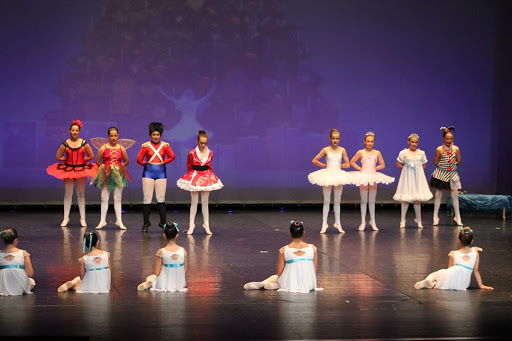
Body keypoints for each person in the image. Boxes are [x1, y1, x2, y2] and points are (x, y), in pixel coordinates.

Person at [243, 221, 323, 293]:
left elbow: (279, 272)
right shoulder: (313, 248)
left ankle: (265, 283)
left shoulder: (284, 250)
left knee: (276, 277)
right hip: (308, 283)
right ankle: (274, 285)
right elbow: (314, 270)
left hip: (290, 282)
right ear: (303, 233)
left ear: (290, 233)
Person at [47, 120, 97, 227]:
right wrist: (67, 158)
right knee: (67, 194)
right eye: (73, 130)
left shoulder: (83, 143)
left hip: (80, 170)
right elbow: (58, 157)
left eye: (77, 130)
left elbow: (91, 156)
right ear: (69, 131)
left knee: (81, 194)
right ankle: (66, 218)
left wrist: (82, 160)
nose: (75, 132)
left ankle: (83, 218)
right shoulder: (65, 144)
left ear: (79, 131)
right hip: (68, 170)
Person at [414, 227, 493, 291]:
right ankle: (434, 283)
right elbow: (476, 270)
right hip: (463, 284)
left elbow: (449, 269)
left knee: (437, 274)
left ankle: (431, 281)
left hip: (450, 277)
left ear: (459, 241)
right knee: (443, 277)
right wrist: (481, 285)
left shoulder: (453, 253)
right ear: (472, 241)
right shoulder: (476, 252)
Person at [177, 130, 223, 235]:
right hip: (194, 175)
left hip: (206, 176)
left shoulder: (210, 152)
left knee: (205, 202)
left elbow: (209, 166)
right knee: (194, 202)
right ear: (197, 141)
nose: (203, 145)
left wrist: (209, 177)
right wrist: (190, 178)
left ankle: (206, 224)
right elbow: (189, 166)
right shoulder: (192, 152)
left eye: (205, 143)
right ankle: (191, 225)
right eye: (201, 143)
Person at [308, 128, 351, 234]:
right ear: (330, 139)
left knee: (337, 201)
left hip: (338, 175)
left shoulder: (342, 150)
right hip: (327, 175)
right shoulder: (326, 150)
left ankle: (338, 223)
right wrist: (325, 165)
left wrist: (337, 166)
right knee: (326, 201)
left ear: (339, 139)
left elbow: (348, 164)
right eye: (333, 138)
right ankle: (324, 224)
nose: (335, 140)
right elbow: (314, 160)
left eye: (337, 139)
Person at [90, 127, 135, 230]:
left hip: (118, 175)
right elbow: (98, 161)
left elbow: (126, 161)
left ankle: (119, 221)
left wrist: (120, 166)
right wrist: (105, 168)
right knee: (104, 198)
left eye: (115, 135)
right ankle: (102, 221)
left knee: (118, 198)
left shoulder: (121, 148)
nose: (113, 138)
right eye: (111, 136)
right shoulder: (103, 148)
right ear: (108, 136)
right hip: (106, 175)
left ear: (118, 136)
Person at [349, 132, 394, 231]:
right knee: (364, 201)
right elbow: (352, 162)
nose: (370, 143)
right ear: (364, 142)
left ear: (374, 142)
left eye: (372, 141)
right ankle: (363, 222)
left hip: (373, 176)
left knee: (372, 201)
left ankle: (373, 221)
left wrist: (374, 168)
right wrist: (360, 169)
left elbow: (382, 165)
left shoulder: (377, 153)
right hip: (363, 177)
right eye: (368, 141)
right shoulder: (361, 152)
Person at [136, 122, 175, 232]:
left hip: (161, 173)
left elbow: (172, 156)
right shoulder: (146, 146)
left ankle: (163, 223)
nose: (156, 137)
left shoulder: (165, 146)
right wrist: (148, 165)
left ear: (160, 135)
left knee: (161, 199)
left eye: (158, 134)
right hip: (148, 173)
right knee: (147, 199)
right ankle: (146, 224)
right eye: (154, 134)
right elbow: (139, 159)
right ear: (150, 135)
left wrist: (163, 162)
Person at [393, 133, 433, 228]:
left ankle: (419, 220)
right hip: (407, 177)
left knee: (417, 198)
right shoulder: (403, 153)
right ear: (408, 142)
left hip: (418, 178)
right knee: (405, 198)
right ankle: (403, 220)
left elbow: (424, 164)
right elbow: (398, 164)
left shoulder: (421, 153)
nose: (414, 144)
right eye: (412, 142)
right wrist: (406, 167)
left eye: (416, 142)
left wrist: (417, 169)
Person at [137, 222, 188, 292]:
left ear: (164, 235)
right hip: (179, 284)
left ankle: (149, 283)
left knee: (151, 277)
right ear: (177, 235)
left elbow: (156, 273)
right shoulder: (183, 251)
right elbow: (184, 270)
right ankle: (150, 283)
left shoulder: (161, 252)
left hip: (164, 284)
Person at [430, 126, 462, 226]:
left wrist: (452, 164)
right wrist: (442, 156)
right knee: (438, 194)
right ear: (443, 139)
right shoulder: (439, 149)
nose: (449, 140)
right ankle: (435, 217)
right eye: (447, 139)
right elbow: (435, 162)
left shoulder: (456, 149)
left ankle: (457, 217)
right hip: (441, 174)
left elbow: (459, 161)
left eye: (451, 139)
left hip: (452, 174)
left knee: (455, 195)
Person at [0, 228, 35, 296]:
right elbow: (30, 273)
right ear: (15, 240)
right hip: (19, 289)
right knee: (31, 281)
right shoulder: (24, 253)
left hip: (2, 287)